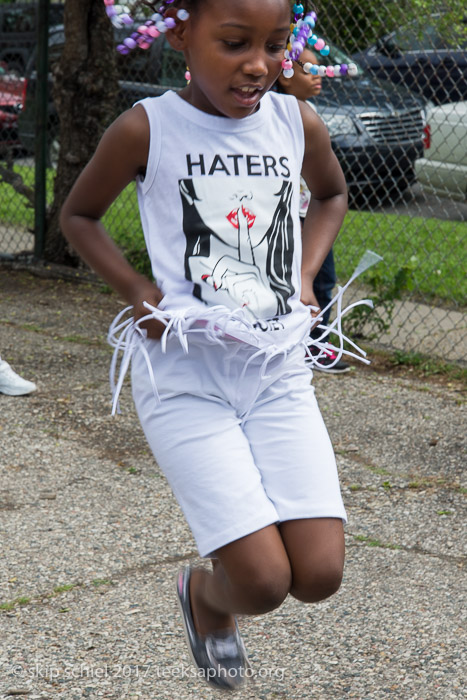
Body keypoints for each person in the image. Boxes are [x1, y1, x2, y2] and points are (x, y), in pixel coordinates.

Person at [61, 0, 351, 690]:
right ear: (181, 34)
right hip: (185, 378)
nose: (258, 65)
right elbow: (78, 214)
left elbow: (331, 195)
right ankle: (206, 598)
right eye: (233, 43)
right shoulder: (147, 128)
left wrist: (306, 274)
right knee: (258, 583)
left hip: (275, 372)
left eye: (275, 45)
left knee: (317, 574)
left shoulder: (293, 120)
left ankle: (216, 591)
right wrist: (134, 288)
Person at [276, 46, 350, 373]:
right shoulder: (274, 117)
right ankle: (297, 340)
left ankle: (316, 341)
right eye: (308, 69)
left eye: (319, 69)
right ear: (283, 74)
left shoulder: (308, 115)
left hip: (313, 214)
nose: (318, 76)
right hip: (287, 216)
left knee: (323, 279)